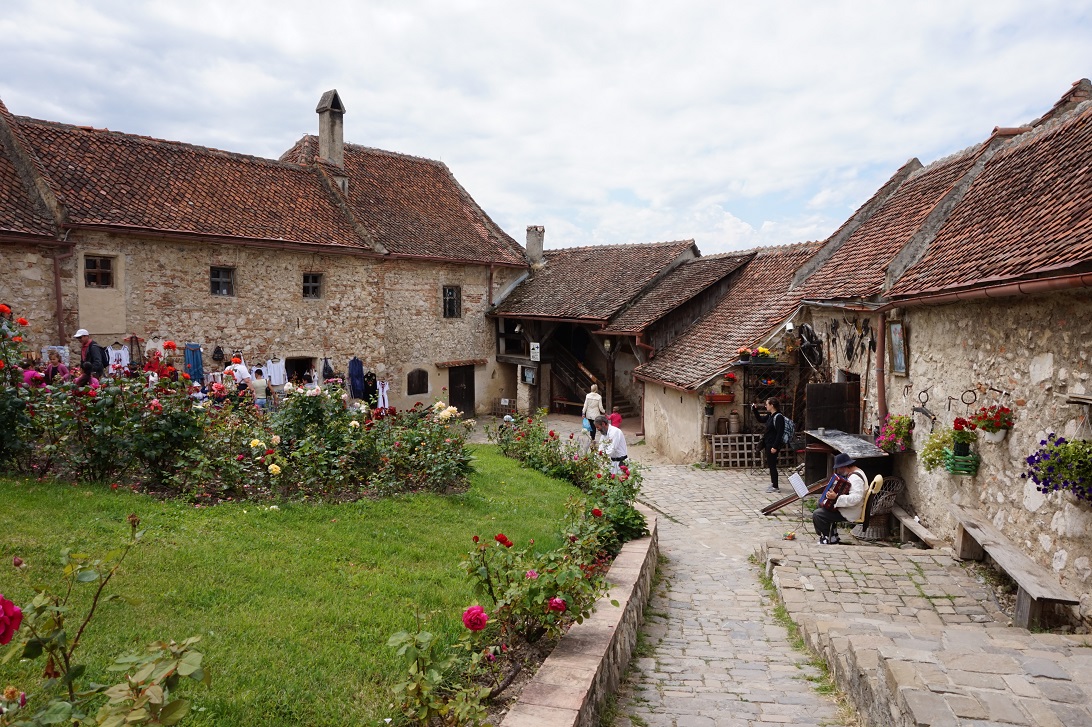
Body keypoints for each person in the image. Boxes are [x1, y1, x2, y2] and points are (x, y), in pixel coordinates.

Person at [812, 453, 867, 545]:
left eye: (838, 468)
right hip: (850, 508)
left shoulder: (855, 478)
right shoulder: (857, 472)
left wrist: (836, 497)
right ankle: (833, 535)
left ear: (844, 467)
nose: (838, 471)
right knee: (821, 504)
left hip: (851, 511)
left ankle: (828, 537)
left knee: (818, 514)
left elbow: (856, 498)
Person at [751, 397, 786, 493]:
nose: (765, 406)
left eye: (767, 404)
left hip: (773, 444)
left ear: (772, 405)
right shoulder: (770, 415)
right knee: (770, 464)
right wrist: (755, 410)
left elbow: (780, 433)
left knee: (772, 465)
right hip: (768, 443)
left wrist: (775, 446)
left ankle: (775, 486)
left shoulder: (778, 417)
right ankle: (773, 483)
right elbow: (761, 419)